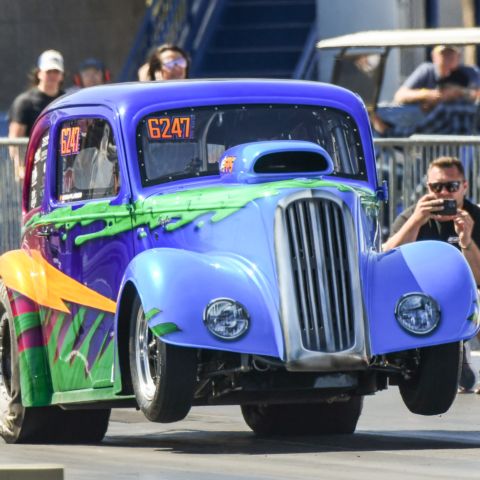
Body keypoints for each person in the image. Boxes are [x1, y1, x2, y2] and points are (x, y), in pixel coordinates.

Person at [383, 156, 480, 392]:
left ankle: (460, 354)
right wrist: (415, 222)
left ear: (464, 187)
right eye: (437, 187)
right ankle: (451, 359)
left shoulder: (475, 217)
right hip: (423, 293)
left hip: (467, 291)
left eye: (451, 186)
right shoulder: (413, 216)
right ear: (428, 188)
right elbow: (385, 260)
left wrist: (466, 241)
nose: (444, 194)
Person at [8, 49, 65, 179]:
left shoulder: (66, 100)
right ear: (39, 73)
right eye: (48, 71)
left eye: (56, 71)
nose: (52, 75)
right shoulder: (24, 102)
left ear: (61, 75)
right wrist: (21, 169)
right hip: (32, 172)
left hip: (61, 169)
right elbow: (14, 142)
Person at [394, 45, 480, 109]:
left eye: (451, 54)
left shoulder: (470, 72)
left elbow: (476, 94)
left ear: (458, 57)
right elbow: (400, 96)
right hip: (433, 125)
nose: (447, 59)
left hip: (462, 124)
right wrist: (426, 94)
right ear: (434, 56)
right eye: (443, 54)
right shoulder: (427, 70)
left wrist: (460, 92)